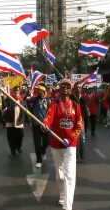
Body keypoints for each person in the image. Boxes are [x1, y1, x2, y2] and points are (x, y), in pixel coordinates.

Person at [42, 79, 82, 210]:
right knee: (60, 175)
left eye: (68, 87)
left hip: (70, 145)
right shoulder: (54, 104)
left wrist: (70, 139)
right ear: (59, 90)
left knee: (69, 175)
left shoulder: (76, 106)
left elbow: (79, 125)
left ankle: (67, 206)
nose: (65, 88)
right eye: (63, 86)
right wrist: (45, 124)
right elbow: (49, 117)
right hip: (56, 143)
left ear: (71, 90)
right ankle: (62, 194)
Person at [29, 84, 50, 168]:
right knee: (37, 144)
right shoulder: (35, 99)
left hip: (45, 126)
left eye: (40, 90)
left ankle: (43, 150)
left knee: (47, 142)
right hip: (36, 126)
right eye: (37, 90)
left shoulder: (48, 101)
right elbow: (28, 99)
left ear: (44, 91)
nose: (38, 92)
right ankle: (39, 160)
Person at [3, 85, 25, 157]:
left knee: (20, 136)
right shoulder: (8, 99)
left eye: (18, 90)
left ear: (19, 91)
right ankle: (13, 151)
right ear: (13, 91)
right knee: (11, 138)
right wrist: (2, 99)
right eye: (15, 90)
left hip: (19, 122)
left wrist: (29, 121)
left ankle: (18, 147)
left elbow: (25, 110)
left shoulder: (21, 100)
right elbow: (4, 108)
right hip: (10, 121)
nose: (16, 92)